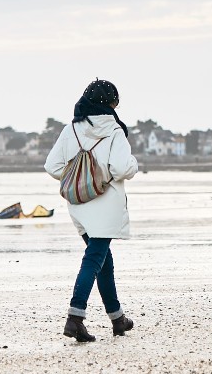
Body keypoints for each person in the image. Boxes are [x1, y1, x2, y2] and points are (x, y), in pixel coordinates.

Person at [44, 79, 141, 342]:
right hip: (106, 204)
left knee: (103, 261)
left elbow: (52, 166)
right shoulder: (115, 132)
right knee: (94, 260)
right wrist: (128, 165)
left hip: (79, 203)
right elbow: (122, 168)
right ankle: (75, 318)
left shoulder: (71, 130)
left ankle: (117, 318)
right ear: (111, 104)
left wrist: (81, 177)